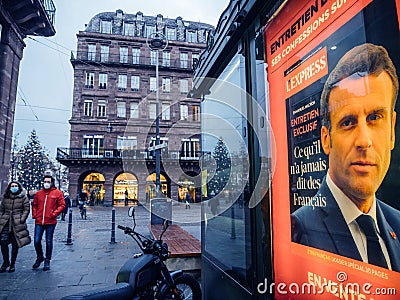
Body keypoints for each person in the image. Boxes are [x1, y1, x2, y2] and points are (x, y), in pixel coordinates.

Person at [291, 43, 400, 271]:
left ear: (392, 130)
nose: (364, 141)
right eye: (348, 122)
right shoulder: (298, 229)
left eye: (375, 117)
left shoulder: (397, 223)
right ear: (326, 139)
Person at [32, 175, 65, 271]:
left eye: (48, 181)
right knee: (36, 241)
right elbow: (34, 205)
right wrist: (35, 214)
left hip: (50, 221)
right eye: (45, 181)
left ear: (52, 183)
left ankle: (47, 260)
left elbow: (62, 205)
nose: (46, 183)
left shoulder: (57, 193)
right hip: (39, 221)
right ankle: (40, 257)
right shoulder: (39, 193)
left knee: (48, 241)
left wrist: (54, 213)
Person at [0, 181, 31, 273]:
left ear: (19, 187)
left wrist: (22, 219)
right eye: (12, 186)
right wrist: (1, 218)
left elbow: (26, 209)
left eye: (15, 186)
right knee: (3, 242)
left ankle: (12, 264)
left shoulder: (23, 197)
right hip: (5, 222)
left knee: (15, 243)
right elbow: (1, 209)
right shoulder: (6, 198)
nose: (14, 187)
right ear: (9, 188)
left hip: (17, 223)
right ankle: (6, 262)